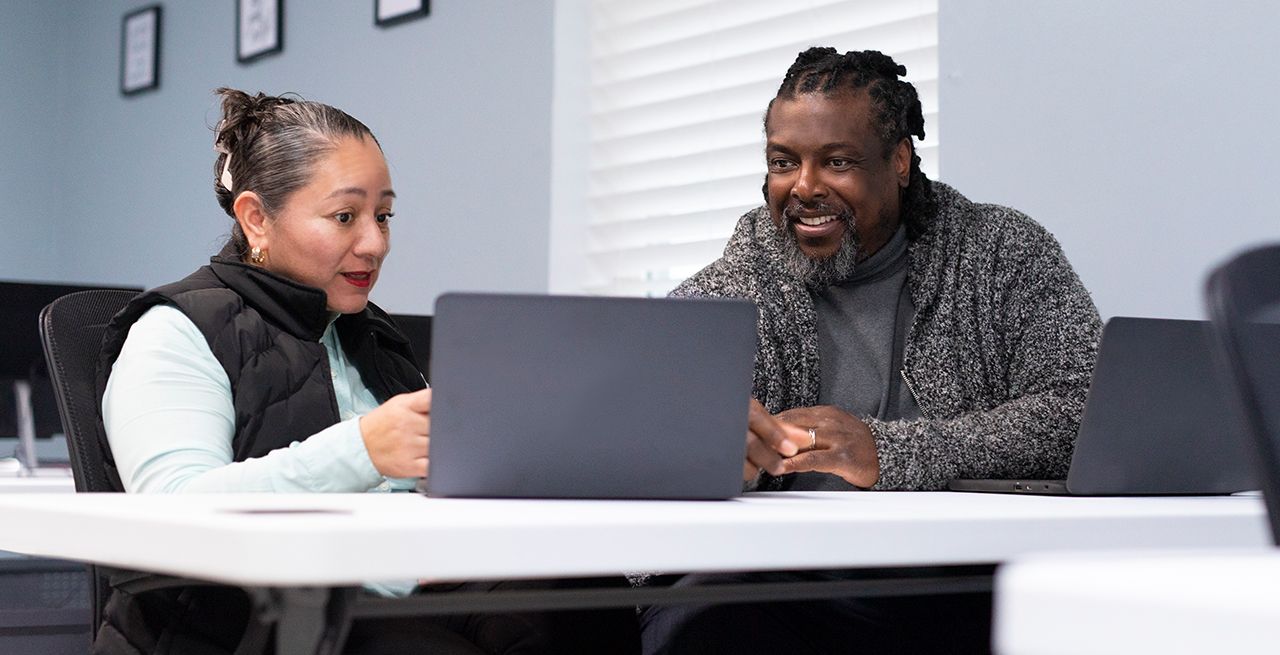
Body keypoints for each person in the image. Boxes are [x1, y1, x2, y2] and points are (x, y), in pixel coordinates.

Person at [96, 88, 638, 655]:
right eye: (344, 217)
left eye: (383, 216)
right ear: (256, 218)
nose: (375, 243)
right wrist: (363, 449)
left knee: (583, 602)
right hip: (243, 622)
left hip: (406, 589)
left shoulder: (369, 333)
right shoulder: (176, 330)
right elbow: (175, 509)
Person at [640, 48, 1103, 654]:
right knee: (708, 617)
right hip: (780, 591)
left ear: (901, 161)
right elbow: (634, 442)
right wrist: (709, 460)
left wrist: (891, 451)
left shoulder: (1000, 255)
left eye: (837, 162)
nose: (803, 187)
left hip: (960, 582)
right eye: (784, 162)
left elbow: (1084, 413)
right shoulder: (727, 293)